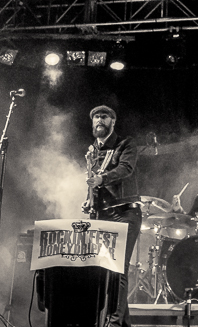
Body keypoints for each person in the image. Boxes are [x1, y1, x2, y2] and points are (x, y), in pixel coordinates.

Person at [83, 105, 140, 327]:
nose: (99, 120)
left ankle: (113, 323)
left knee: (117, 269)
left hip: (124, 213)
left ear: (112, 122)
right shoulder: (92, 151)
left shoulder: (126, 144)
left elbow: (125, 169)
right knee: (103, 269)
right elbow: (92, 182)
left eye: (104, 116)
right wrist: (88, 199)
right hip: (102, 214)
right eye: (96, 117)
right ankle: (122, 323)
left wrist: (102, 179)